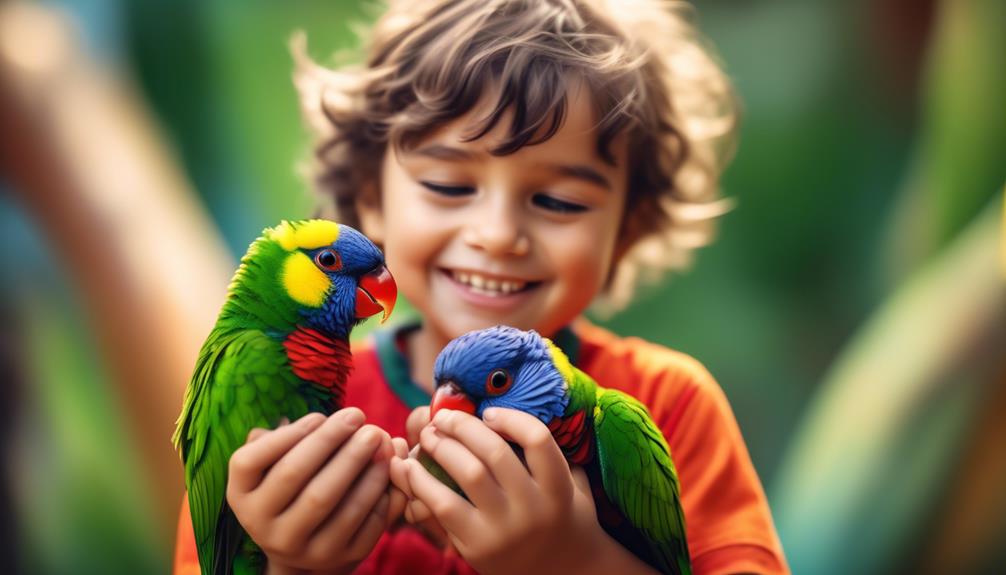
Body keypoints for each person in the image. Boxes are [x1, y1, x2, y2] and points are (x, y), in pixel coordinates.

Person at [173, 0, 789, 573]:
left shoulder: (667, 405)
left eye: (557, 200)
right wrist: (288, 563)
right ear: (370, 198)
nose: (497, 235)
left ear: (626, 229)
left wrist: (573, 557)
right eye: (447, 186)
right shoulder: (283, 392)